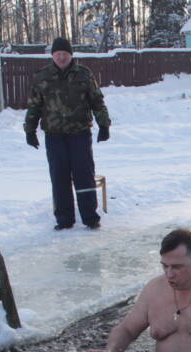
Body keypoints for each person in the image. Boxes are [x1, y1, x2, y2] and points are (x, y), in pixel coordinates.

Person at [24, 37, 110, 230]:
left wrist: (104, 125)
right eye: (58, 54)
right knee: (59, 177)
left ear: (71, 55)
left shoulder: (84, 74)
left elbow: (97, 101)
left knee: (84, 175)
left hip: (80, 133)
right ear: (52, 55)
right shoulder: (42, 77)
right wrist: (30, 130)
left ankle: (90, 217)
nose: (61, 58)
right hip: (54, 135)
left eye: (65, 54)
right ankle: (64, 219)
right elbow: (34, 106)